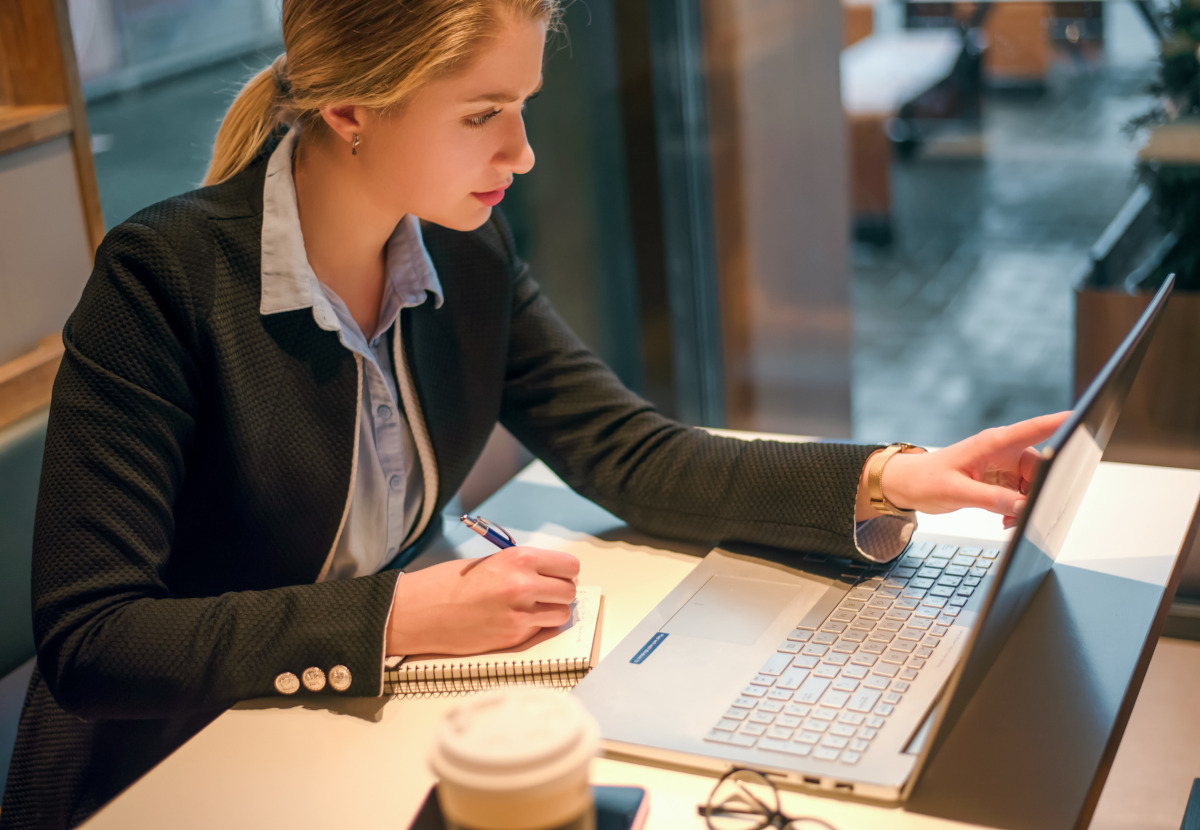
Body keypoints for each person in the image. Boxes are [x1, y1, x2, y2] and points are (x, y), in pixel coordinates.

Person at [0, 1, 1067, 827]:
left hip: (347, 736)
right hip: (173, 768)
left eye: (524, 108)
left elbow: (629, 452)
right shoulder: (167, 280)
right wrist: (399, 617)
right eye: (482, 116)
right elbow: (95, 639)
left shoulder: (463, 249)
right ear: (349, 110)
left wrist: (890, 477)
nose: (523, 155)